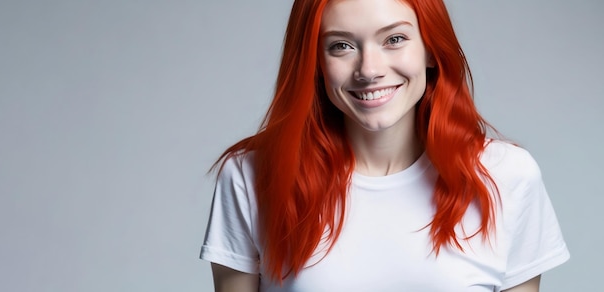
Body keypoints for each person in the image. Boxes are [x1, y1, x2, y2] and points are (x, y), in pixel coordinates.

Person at [200, 0, 570, 291]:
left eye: (394, 39)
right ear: (315, 63)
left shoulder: (506, 176)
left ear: (430, 49)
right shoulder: (251, 175)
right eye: (341, 46)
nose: (369, 69)